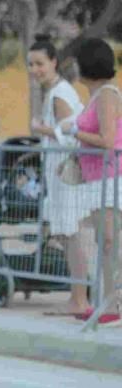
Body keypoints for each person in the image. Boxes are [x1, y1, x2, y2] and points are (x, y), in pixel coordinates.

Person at [27, 37, 92, 317]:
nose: (35, 69)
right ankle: (78, 296)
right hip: (61, 174)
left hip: (65, 175)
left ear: (54, 61)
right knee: (67, 234)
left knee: (70, 233)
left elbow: (71, 137)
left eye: (40, 63)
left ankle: (79, 299)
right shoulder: (57, 92)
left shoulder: (59, 94)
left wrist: (42, 130)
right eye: (30, 64)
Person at [70, 38, 122, 325]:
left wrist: (74, 131)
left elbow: (106, 140)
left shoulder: (106, 95)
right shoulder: (97, 95)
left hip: (110, 179)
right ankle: (110, 302)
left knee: (111, 241)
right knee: (107, 242)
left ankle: (113, 305)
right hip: (96, 180)